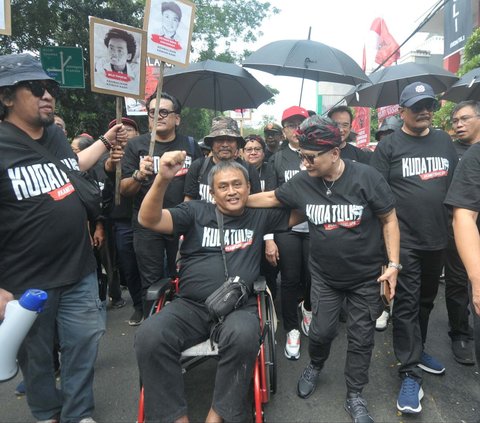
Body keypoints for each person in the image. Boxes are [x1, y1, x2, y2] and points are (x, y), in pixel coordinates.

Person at [247, 115, 400, 423]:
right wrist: (230, 201)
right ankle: (315, 364)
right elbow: (271, 198)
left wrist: (394, 264)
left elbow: (389, 219)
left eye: (310, 157)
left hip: (364, 278)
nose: (304, 163)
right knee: (321, 331)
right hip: (325, 278)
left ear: (334, 152)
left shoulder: (366, 178)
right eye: (301, 156)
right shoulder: (305, 181)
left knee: (361, 338)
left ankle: (355, 394)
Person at [0, 53, 127, 423]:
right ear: (7, 97)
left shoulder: (55, 136)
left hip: (79, 269)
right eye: (36, 88)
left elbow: (73, 166)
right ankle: (45, 412)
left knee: (83, 345)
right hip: (25, 283)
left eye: (51, 88)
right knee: (36, 358)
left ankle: (77, 413)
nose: (47, 95)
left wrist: (106, 140)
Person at [135, 153, 298, 423]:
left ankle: (217, 415)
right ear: (212, 193)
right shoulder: (195, 211)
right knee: (149, 335)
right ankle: (175, 417)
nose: (232, 192)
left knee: (245, 334)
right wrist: (163, 178)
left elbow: (304, 206)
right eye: (223, 187)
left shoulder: (260, 216)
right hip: (190, 305)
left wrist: (321, 177)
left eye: (238, 184)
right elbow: (149, 220)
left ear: (248, 188)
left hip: (238, 307)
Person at [370, 81, 458, 414]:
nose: (424, 111)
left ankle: (417, 350)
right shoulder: (388, 147)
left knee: (424, 301)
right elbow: (377, 197)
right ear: (402, 111)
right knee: (405, 305)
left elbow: (452, 187)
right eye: (417, 106)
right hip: (402, 244)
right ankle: (409, 372)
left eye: (429, 105)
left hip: (437, 240)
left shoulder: (444, 141)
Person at [121, 91, 202, 317]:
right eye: (152, 112)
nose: (158, 117)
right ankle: (152, 326)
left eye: (164, 112)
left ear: (177, 118)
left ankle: (182, 321)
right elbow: (124, 190)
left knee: (185, 275)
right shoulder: (136, 145)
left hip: (181, 222)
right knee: (151, 280)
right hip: (147, 225)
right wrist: (138, 175)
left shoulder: (190, 145)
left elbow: (198, 184)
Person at [264, 105, 312, 359]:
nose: (297, 129)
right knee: (290, 278)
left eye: (301, 123)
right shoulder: (276, 159)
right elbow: (271, 200)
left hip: (316, 226)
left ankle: (309, 308)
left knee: (314, 275)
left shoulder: (317, 152)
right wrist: (269, 237)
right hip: (288, 227)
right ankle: (292, 328)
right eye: (291, 125)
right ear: (284, 131)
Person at [443, 100, 480, 365]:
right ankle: (460, 332)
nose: (458, 124)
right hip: (457, 228)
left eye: (464, 119)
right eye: (455, 120)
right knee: (458, 283)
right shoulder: (449, 151)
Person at [104, 117, 144, 325]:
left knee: (154, 265)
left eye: (129, 129)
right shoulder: (113, 158)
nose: (125, 133)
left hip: (147, 218)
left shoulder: (147, 154)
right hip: (124, 222)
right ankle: (139, 306)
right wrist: (113, 160)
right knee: (130, 266)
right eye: (119, 130)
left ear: (138, 134)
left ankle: (159, 302)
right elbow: (109, 166)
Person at [184, 116, 261, 202]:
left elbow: (257, 201)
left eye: (230, 140)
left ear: (237, 144)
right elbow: (188, 200)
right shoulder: (198, 166)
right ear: (211, 144)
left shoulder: (248, 169)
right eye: (220, 140)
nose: (225, 144)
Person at [373, 115, 403, 332]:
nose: (386, 139)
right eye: (383, 135)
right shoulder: (377, 157)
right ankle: (384, 307)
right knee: (384, 266)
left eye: (390, 135)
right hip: (383, 221)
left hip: (409, 222)